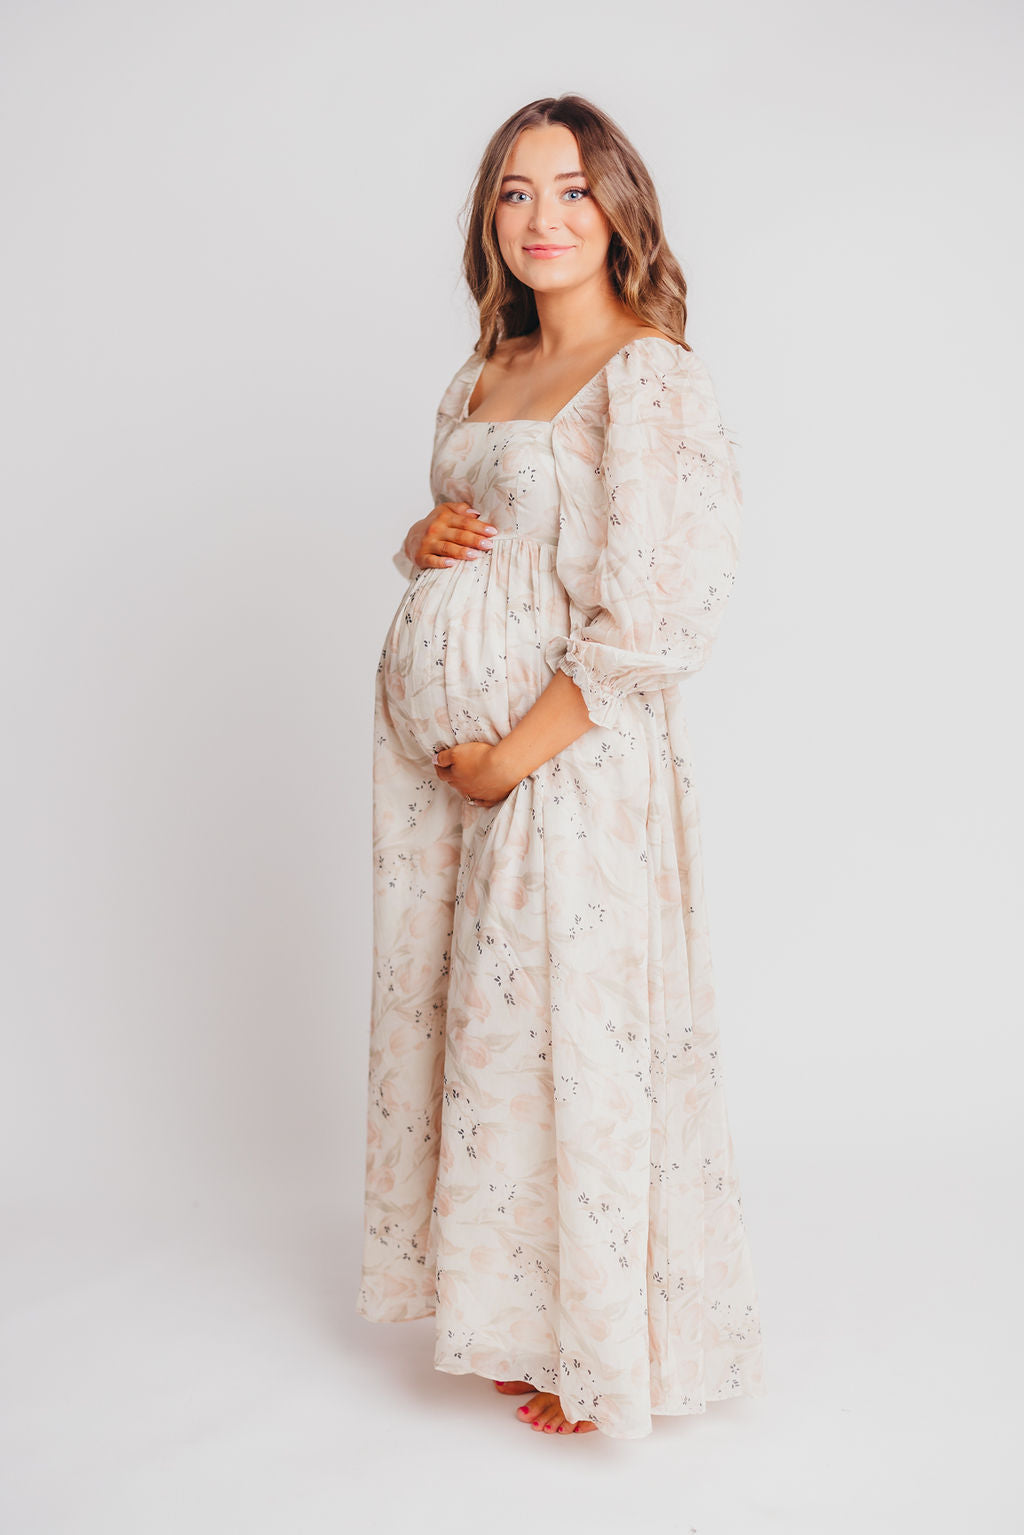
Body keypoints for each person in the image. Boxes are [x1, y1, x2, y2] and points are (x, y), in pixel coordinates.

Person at [356, 93, 767, 1440]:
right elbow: (497, 539)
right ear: (491, 217)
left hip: (569, 767)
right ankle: (523, 1315)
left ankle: (603, 1347)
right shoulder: (486, 367)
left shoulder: (651, 377)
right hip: (453, 788)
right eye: (516, 192)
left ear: (620, 210)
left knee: (576, 1044)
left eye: (573, 189)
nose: (542, 218)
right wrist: (421, 541)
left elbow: (663, 613)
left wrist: (511, 760)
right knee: (492, 1039)